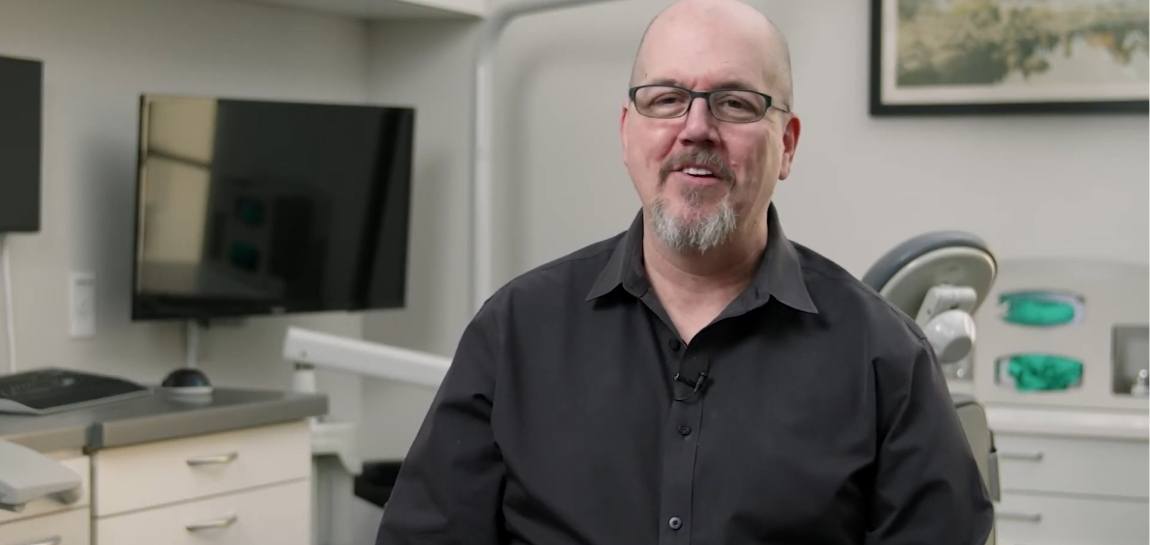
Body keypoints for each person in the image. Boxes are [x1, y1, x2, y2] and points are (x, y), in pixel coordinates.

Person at [376, 0, 994, 543]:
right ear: (628, 134)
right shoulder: (515, 331)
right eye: (666, 99)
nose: (696, 129)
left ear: (787, 145)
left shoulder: (886, 358)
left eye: (735, 103)